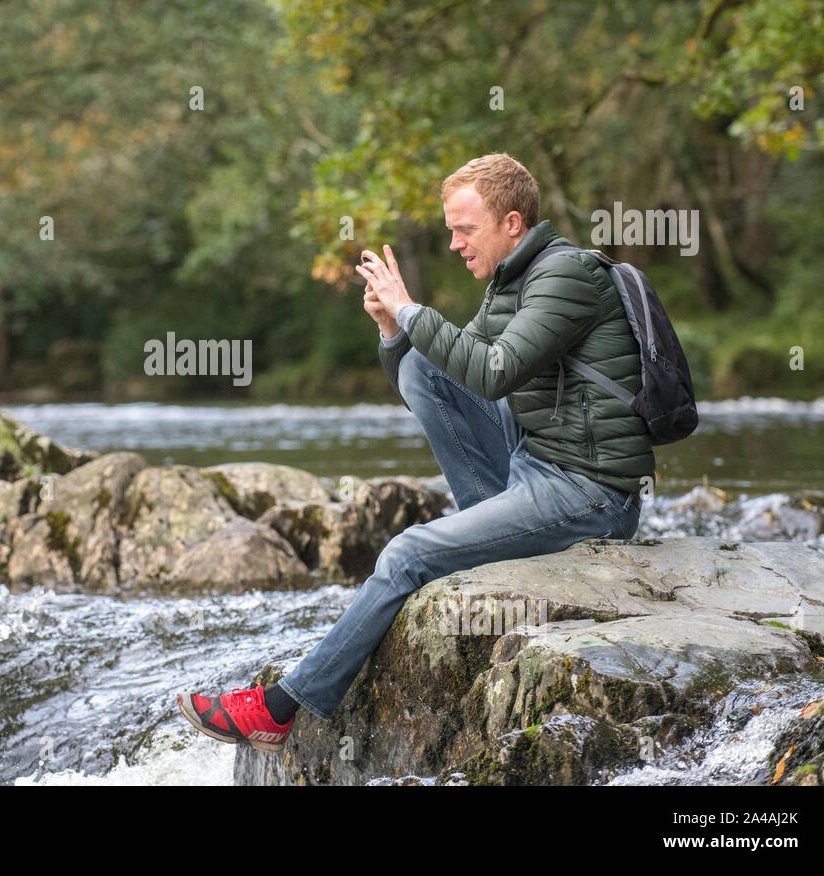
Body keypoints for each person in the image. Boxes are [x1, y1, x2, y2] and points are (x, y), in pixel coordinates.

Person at [176, 153, 651, 753]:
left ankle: (280, 708)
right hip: (536, 462)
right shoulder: (511, 280)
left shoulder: (567, 276)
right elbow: (446, 371)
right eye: (449, 229)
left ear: (511, 223)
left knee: (407, 552)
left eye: (464, 229)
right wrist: (393, 331)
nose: (453, 243)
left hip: (590, 492)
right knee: (423, 366)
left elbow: (493, 371)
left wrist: (412, 309)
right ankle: (487, 526)